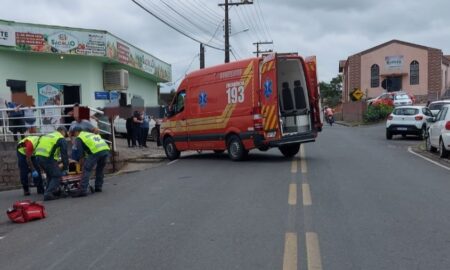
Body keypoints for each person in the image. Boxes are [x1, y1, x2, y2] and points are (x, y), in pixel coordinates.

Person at [70, 127, 110, 197]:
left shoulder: (79, 137)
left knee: (86, 169)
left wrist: (81, 161)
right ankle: (98, 187)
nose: (74, 136)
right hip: (105, 150)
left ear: (77, 132)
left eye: (74, 134)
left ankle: (82, 190)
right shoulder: (90, 134)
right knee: (100, 169)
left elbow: (80, 152)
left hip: (96, 152)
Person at [35, 126, 69, 201]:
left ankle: (48, 191)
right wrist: (66, 166)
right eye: (65, 133)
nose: (65, 135)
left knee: (50, 175)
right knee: (57, 176)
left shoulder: (48, 135)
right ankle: (48, 194)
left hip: (38, 156)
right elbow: (64, 154)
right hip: (47, 157)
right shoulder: (60, 138)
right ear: (62, 131)